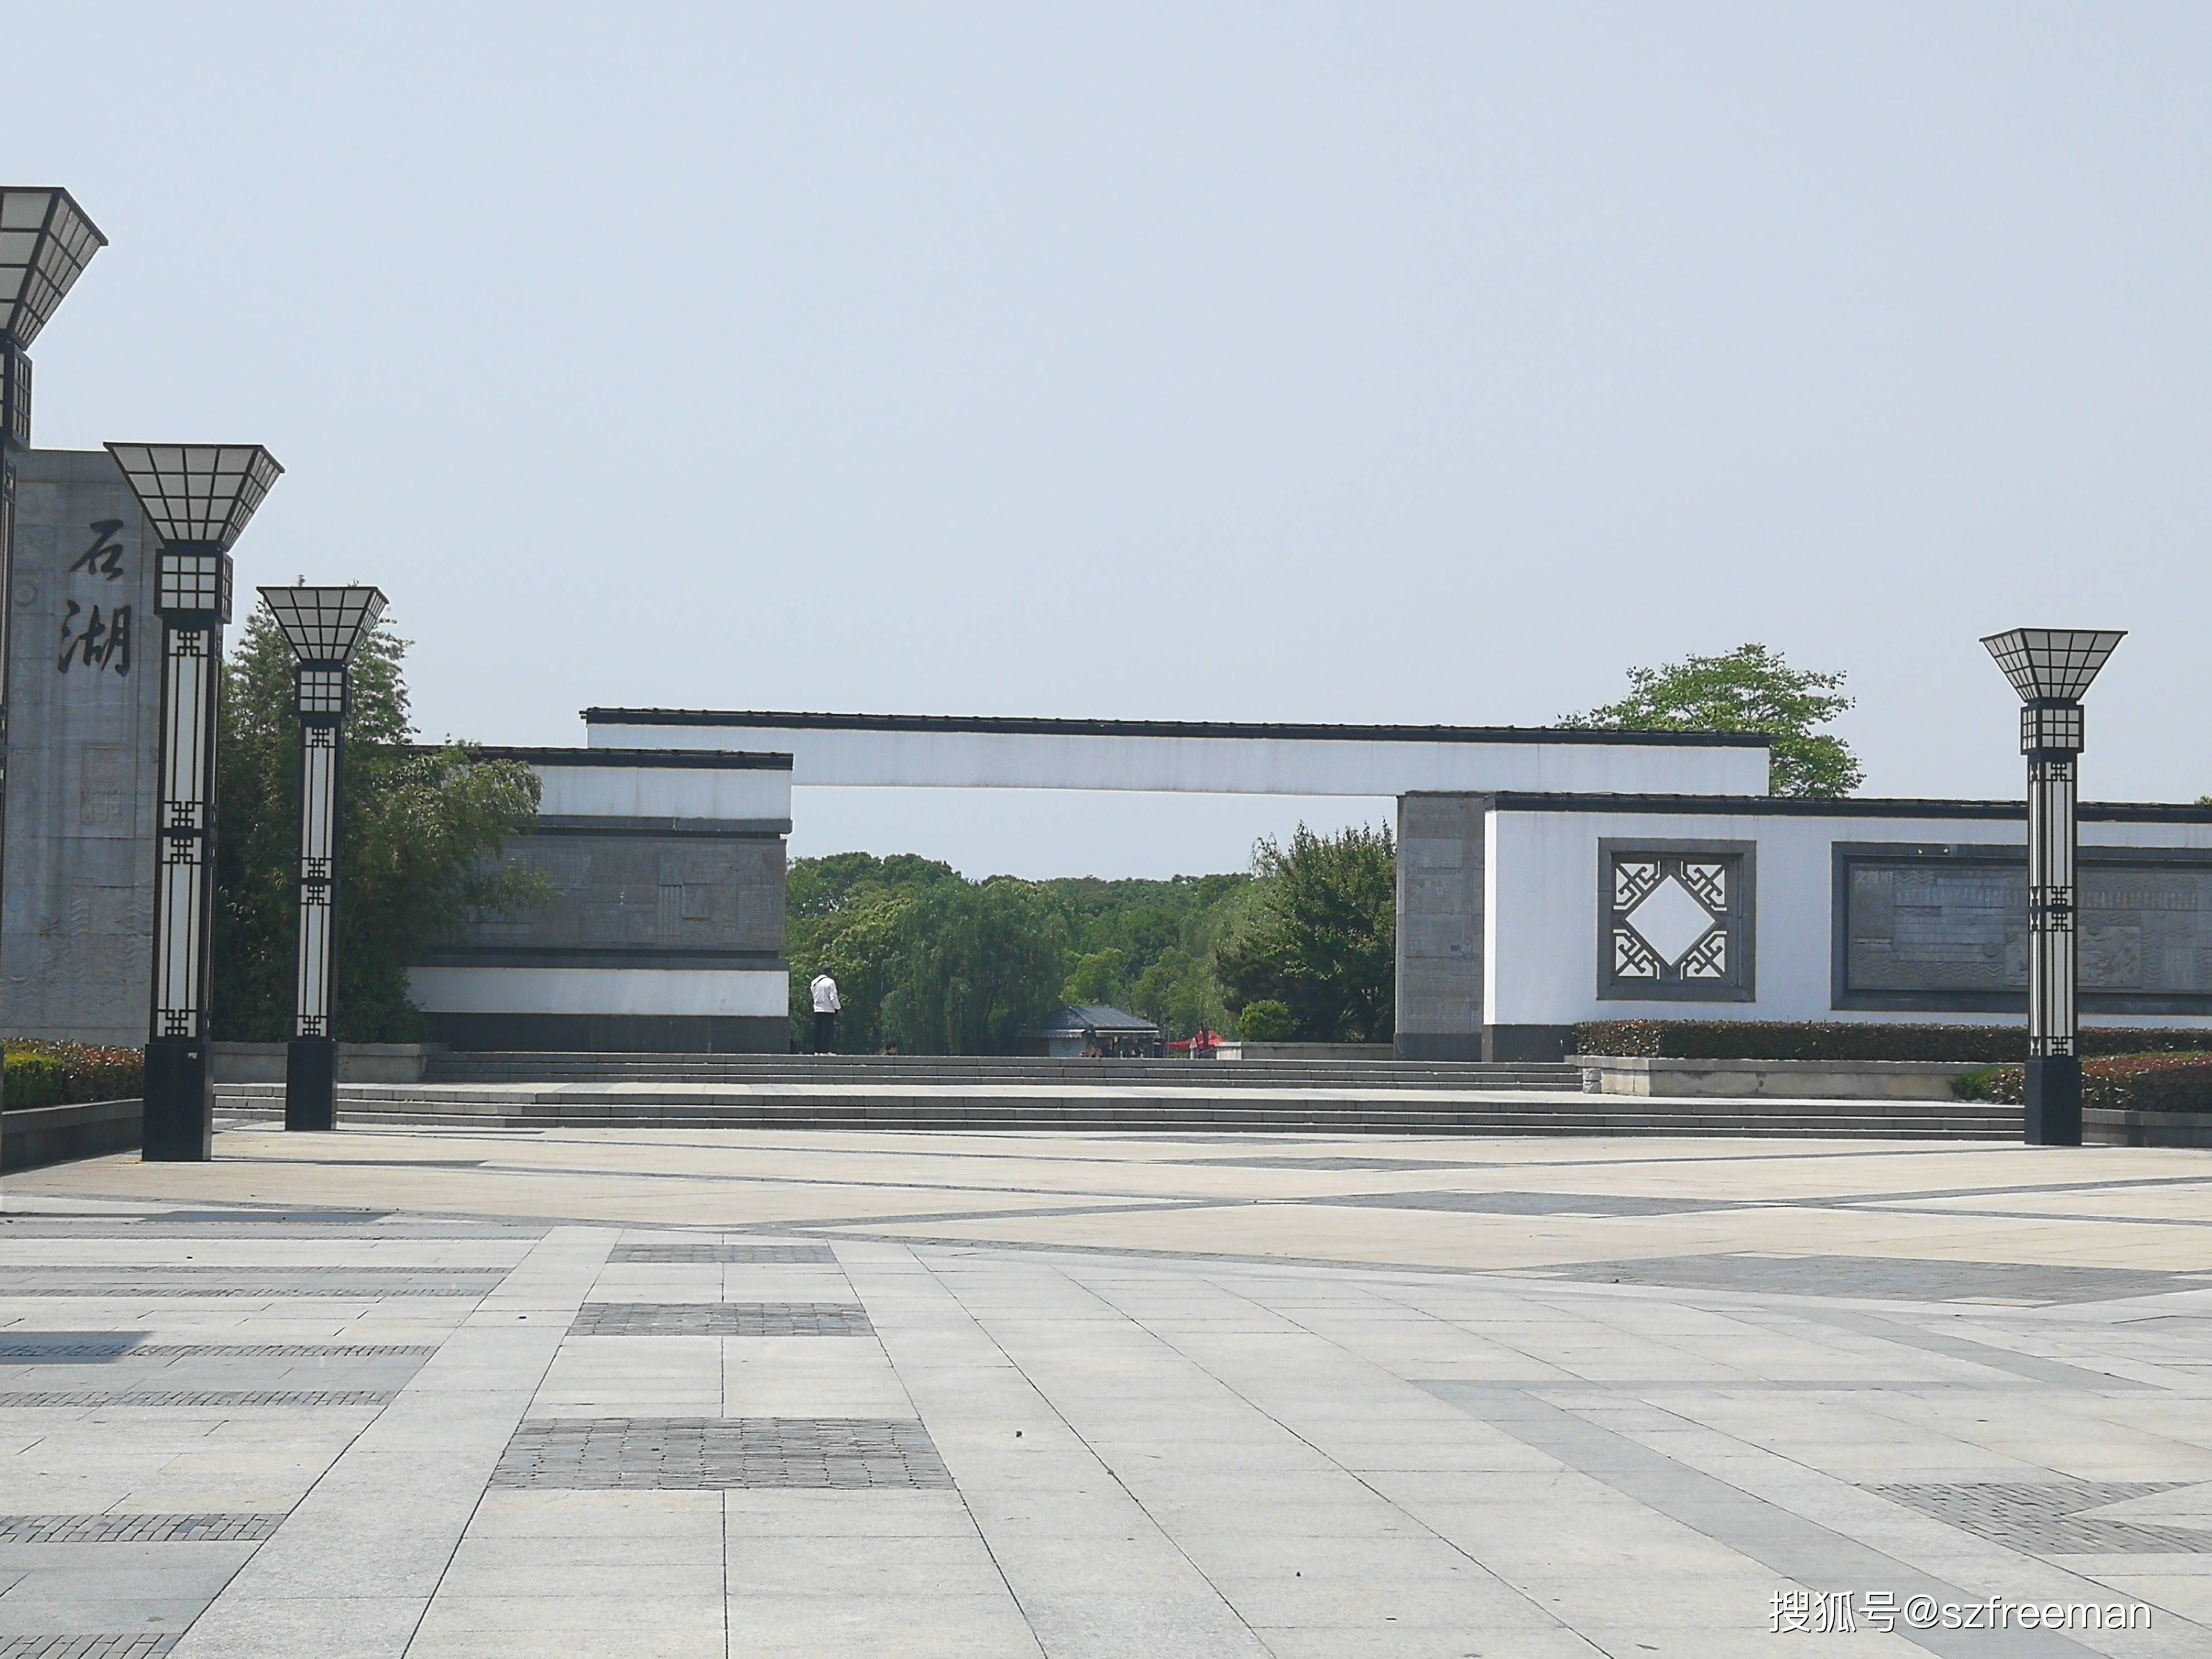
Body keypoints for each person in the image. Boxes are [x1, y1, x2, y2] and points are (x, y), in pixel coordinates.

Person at [809, 971, 841, 1053]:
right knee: (827, 1031)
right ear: (829, 973)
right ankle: (826, 1051)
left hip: (817, 1009)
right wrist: (838, 1009)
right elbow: (833, 997)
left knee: (818, 1031)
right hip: (828, 1010)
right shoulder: (830, 982)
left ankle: (817, 1051)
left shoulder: (814, 982)